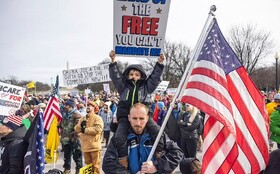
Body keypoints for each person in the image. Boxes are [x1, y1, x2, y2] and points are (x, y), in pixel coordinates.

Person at [108, 50, 165, 168]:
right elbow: (116, 76)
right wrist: (113, 62)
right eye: (131, 74)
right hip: (125, 116)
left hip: (143, 116)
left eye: (137, 74)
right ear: (127, 75)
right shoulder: (123, 86)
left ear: (142, 76)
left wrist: (159, 63)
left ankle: (160, 153)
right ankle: (123, 159)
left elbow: (155, 77)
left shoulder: (146, 87)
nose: (134, 76)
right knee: (119, 135)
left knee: (158, 132)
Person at [102, 103, 183, 174]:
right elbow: (107, 164)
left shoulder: (158, 136)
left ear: (147, 118)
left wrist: (157, 166)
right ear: (129, 118)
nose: (138, 123)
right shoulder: (120, 138)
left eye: (141, 119)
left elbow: (177, 153)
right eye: (134, 118)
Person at [74, 101, 104, 174]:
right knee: (88, 167)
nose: (88, 107)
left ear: (94, 108)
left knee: (96, 166)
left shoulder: (98, 118)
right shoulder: (83, 118)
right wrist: (80, 125)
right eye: (87, 105)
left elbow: (98, 129)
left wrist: (85, 130)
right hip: (85, 147)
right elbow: (76, 129)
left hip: (94, 147)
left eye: (90, 105)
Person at [59, 99, 83, 174]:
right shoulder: (65, 114)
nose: (65, 107)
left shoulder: (77, 115)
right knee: (66, 156)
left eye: (67, 105)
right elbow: (62, 125)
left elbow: (78, 128)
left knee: (77, 156)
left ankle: (78, 170)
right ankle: (67, 169)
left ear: (71, 106)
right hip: (65, 139)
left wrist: (74, 137)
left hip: (74, 139)